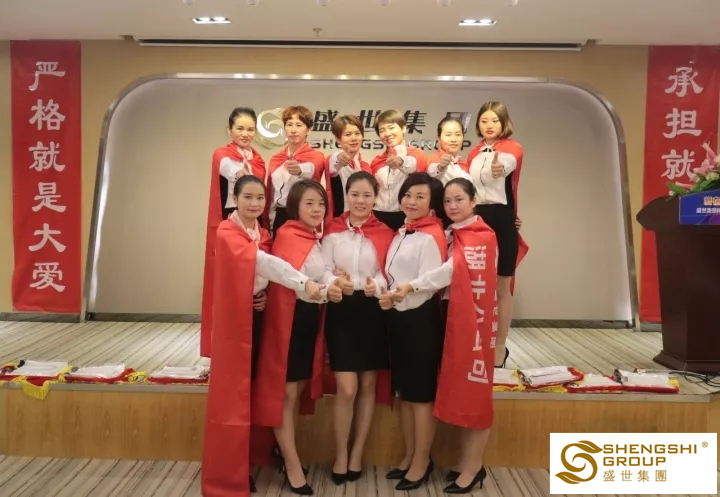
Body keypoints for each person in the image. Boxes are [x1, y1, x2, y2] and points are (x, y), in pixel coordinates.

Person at [201, 175, 323, 497]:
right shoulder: (228, 232)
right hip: (234, 324)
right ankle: (231, 471)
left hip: (257, 317)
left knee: (257, 387)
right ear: (235, 199)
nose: (255, 203)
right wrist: (304, 283)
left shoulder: (263, 233)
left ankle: (254, 457)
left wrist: (265, 293)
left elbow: (262, 274)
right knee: (233, 395)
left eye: (260, 198)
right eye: (248, 197)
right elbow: (264, 263)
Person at [391, 178, 498, 493]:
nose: (452, 206)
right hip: (452, 316)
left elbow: (450, 271)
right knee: (457, 388)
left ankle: (474, 466)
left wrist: (412, 285)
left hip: (473, 321)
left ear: (474, 201)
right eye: (448, 201)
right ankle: (464, 462)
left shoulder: (481, 236)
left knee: (474, 391)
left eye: (459, 199)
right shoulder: (452, 233)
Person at [252, 179, 342, 496]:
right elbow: (296, 282)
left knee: (296, 390)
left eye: (321, 203)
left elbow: (320, 274)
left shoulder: (314, 236)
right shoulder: (289, 235)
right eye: (309, 203)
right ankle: (291, 464)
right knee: (286, 394)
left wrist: (333, 282)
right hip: (288, 321)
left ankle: (284, 450)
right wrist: (324, 290)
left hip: (307, 321)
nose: (317, 209)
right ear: (295, 206)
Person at [321, 171, 395, 485]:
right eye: (355, 194)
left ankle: (357, 453)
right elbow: (323, 268)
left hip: (372, 311)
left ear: (376, 198)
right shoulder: (332, 230)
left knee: (367, 386)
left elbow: (388, 272)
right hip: (341, 311)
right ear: (346, 196)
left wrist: (374, 285)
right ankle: (340, 453)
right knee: (347, 388)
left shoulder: (386, 232)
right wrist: (334, 282)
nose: (360, 201)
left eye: (367, 195)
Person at [377, 172, 447, 491]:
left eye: (420, 196)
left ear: (432, 204)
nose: (411, 201)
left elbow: (429, 283)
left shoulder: (430, 235)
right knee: (404, 394)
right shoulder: (403, 231)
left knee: (420, 396)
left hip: (420, 319)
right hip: (399, 317)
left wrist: (398, 296)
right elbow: (393, 275)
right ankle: (408, 456)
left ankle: (422, 461)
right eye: (407, 194)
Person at [466, 101, 529, 368]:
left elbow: (506, 165)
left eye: (494, 120)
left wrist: (498, 168)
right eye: (484, 121)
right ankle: (475, 342)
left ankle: (500, 346)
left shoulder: (512, 148)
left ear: (504, 123)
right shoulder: (473, 152)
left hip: (502, 218)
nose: (489, 125)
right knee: (475, 284)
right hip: (475, 219)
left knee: (503, 285)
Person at [201, 107, 267, 358]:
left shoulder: (258, 159)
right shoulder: (222, 154)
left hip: (254, 221)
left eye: (250, 129)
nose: (245, 133)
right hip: (231, 217)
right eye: (240, 128)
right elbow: (231, 169)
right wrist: (241, 175)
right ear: (229, 130)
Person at [265, 106, 332, 235]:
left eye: (299, 125)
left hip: (304, 214)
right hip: (279, 215)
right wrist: (269, 219)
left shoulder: (316, 156)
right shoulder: (276, 158)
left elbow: (313, 169)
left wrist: (299, 170)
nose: (293, 130)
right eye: (289, 125)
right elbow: (272, 193)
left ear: (308, 130)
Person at [370, 110, 428, 231]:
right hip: (378, 215)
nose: (387, 133)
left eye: (391, 128)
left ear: (404, 128)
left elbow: (414, 167)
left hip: (407, 215)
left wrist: (400, 161)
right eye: (382, 130)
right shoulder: (377, 161)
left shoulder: (416, 154)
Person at [326, 115, 372, 217]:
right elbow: (334, 163)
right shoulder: (333, 160)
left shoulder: (365, 166)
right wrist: (339, 157)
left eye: (357, 133)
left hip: (363, 219)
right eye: (348, 134)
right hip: (339, 219)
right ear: (338, 139)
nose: (354, 138)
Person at [427, 116, 472, 187]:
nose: (453, 139)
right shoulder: (432, 161)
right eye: (448, 135)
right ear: (438, 138)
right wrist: (440, 168)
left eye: (458, 134)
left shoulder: (464, 165)